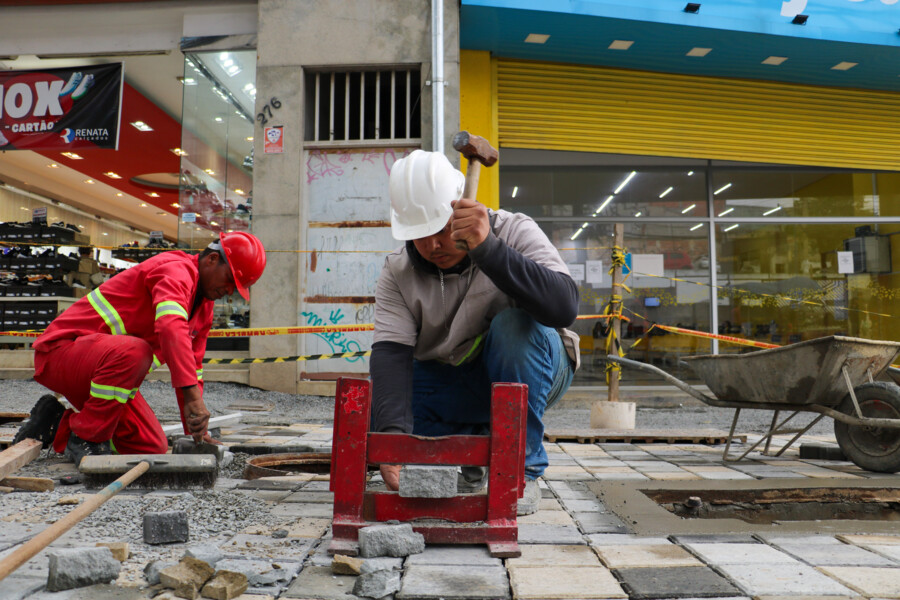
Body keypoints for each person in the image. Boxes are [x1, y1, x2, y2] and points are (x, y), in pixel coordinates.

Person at [370, 150, 580, 515]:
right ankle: (472, 454)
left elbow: (564, 307)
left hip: (534, 366)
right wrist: (391, 442)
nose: (433, 245)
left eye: (441, 230)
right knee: (389, 403)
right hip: (460, 379)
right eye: (420, 235)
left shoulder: (512, 230)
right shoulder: (397, 273)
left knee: (514, 328)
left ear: (460, 209)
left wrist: (489, 251)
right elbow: (391, 356)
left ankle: (518, 472)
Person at [13, 232, 266, 465]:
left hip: (102, 372)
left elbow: (193, 369)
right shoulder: (175, 270)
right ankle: (87, 438)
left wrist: (195, 429)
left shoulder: (203, 309)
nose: (229, 291)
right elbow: (170, 326)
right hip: (61, 355)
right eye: (231, 280)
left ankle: (58, 423)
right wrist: (192, 398)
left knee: (149, 445)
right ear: (212, 259)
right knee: (137, 352)